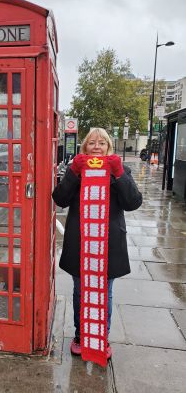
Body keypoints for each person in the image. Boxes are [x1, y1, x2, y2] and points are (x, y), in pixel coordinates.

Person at [52, 128, 142, 359]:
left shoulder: (119, 171)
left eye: (102, 142)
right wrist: (73, 171)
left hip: (107, 244)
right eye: (91, 142)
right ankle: (81, 336)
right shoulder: (78, 171)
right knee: (80, 291)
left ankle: (102, 338)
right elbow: (59, 198)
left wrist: (119, 173)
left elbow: (133, 202)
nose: (96, 146)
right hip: (80, 242)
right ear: (84, 148)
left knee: (104, 292)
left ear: (108, 147)